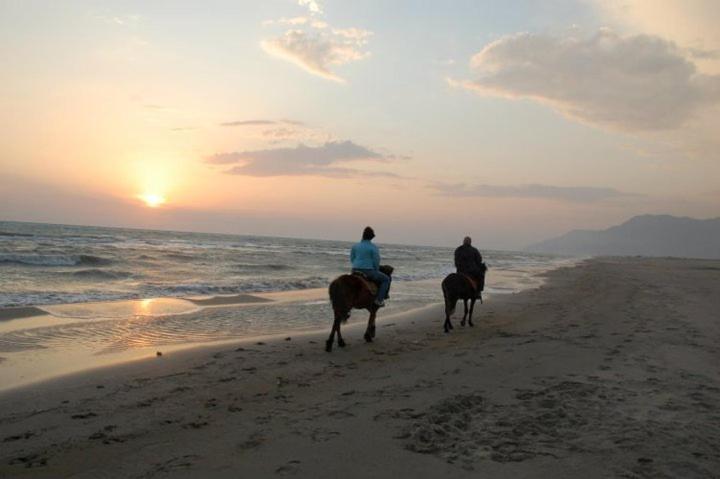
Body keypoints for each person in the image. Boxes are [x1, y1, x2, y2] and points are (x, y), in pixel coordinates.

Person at [351, 226, 390, 307]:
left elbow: (352, 258)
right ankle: (379, 300)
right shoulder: (373, 247)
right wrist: (376, 270)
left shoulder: (355, 246)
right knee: (386, 279)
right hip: (368, 271)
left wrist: (356, 266)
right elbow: (376, 260)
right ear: (371, 237)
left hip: (354, 270)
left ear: (363, 235)